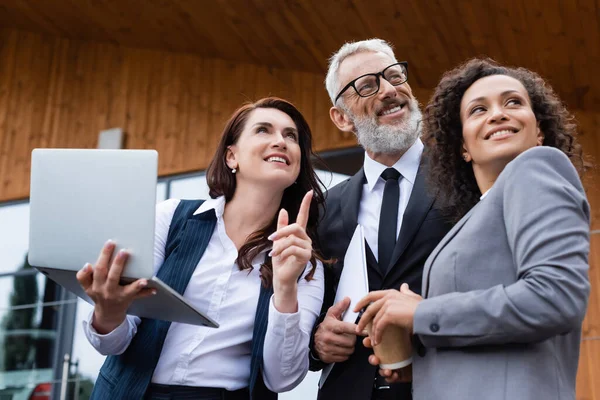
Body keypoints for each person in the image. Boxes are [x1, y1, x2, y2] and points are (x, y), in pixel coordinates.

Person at [355, 58, 591, 400]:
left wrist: (422, 313)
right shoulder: (478, 215)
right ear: (463, 147)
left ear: (539, 131)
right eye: (478, 110)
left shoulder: (537, 167)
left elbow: (555, 296)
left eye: (513, 102)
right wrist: (419, 357)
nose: (498, 114)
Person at [76, 97, 327, 400]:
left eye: (291, 136)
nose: (280, 141)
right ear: (231, 157)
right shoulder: (171, 218)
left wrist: (285, 288)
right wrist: (109, 313)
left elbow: (281, 379)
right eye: (264, 130)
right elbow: (112, 344)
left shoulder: (305, 264)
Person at [309, 39, 452, 400]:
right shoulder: (323, 209)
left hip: (445, 385)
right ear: (341, 117)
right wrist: (317, 342)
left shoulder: (464, 179)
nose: (389, 90)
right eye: (368, 85)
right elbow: (311, 306)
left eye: (394, 76)